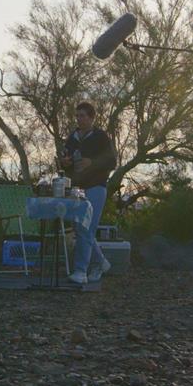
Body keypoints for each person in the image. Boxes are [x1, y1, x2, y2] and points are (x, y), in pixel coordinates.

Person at [61, 101, 117, 284]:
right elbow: (64, 161)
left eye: (83, 115)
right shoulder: (72, 138)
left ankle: (80, 271)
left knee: (86, 228)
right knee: (80, 228)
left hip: (96, 187)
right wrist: (65, 163)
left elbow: (111, 161)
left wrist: (92, 163)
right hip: (77, 188)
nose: (79, 119)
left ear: (92, 117)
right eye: (77, 116)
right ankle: (100, 262)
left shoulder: (101, 137)